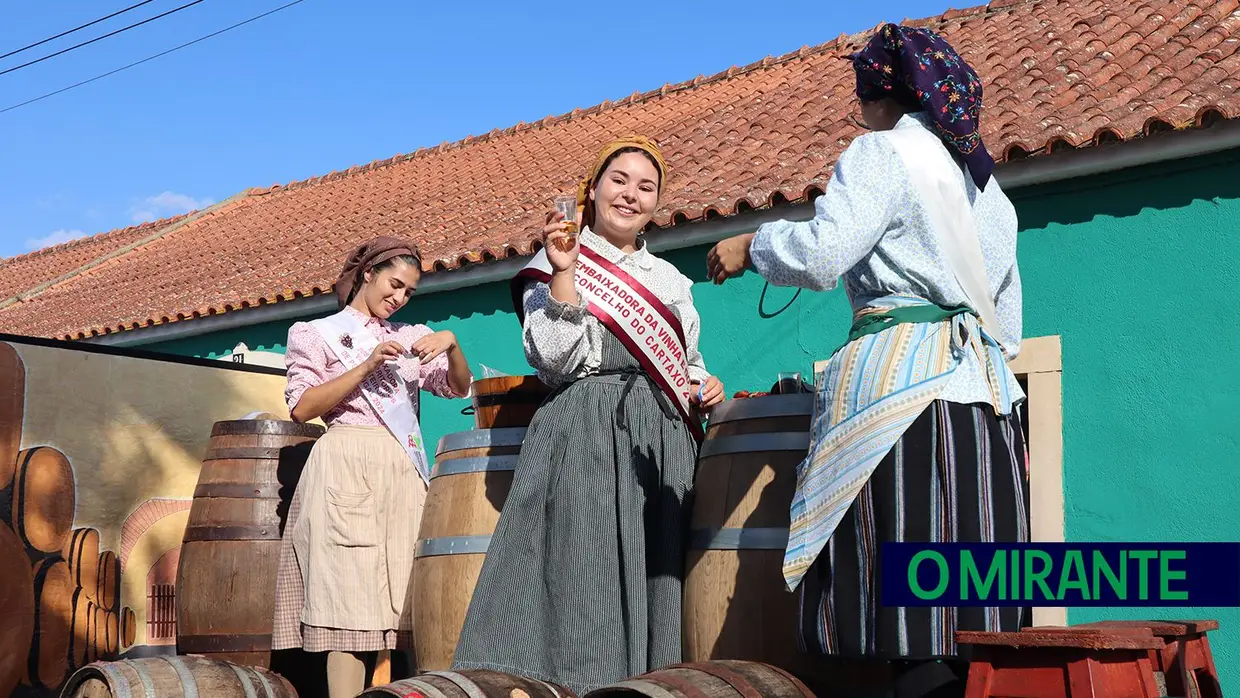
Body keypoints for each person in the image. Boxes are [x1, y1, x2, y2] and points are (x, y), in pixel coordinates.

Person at [707, 24, 1029, 698]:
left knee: (906, 620)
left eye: (863, 96)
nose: (859, 111)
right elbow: (1009, 328)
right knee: (976, 613)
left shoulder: (882, 156)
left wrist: (753, 246)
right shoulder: (992, 195)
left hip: (902, 404)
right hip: (985, 409)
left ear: (885, 96)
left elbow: (825, 254)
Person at [450, 136, 725, 694]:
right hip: (583, 432)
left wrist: (704, 384)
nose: (631, 194)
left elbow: (685, 364)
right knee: (585, 573)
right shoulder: (553, 263)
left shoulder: (670, 281)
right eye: (619, 180)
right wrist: (565, 273)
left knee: (656, 567)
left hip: (660, 441)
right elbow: (554, 361)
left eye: (646, 187)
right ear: (593, 190)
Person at [271, 237, 473, 698]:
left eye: (409, 292)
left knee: (407, 597)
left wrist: (453, 344)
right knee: (348, 599)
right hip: (345, 465)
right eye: (394, 284)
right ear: (368, 274)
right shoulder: (314, 332)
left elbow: (456, 387)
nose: (399, 297)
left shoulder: (409, 334)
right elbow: (301, 408)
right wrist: (364, 366)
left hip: (402, 467)